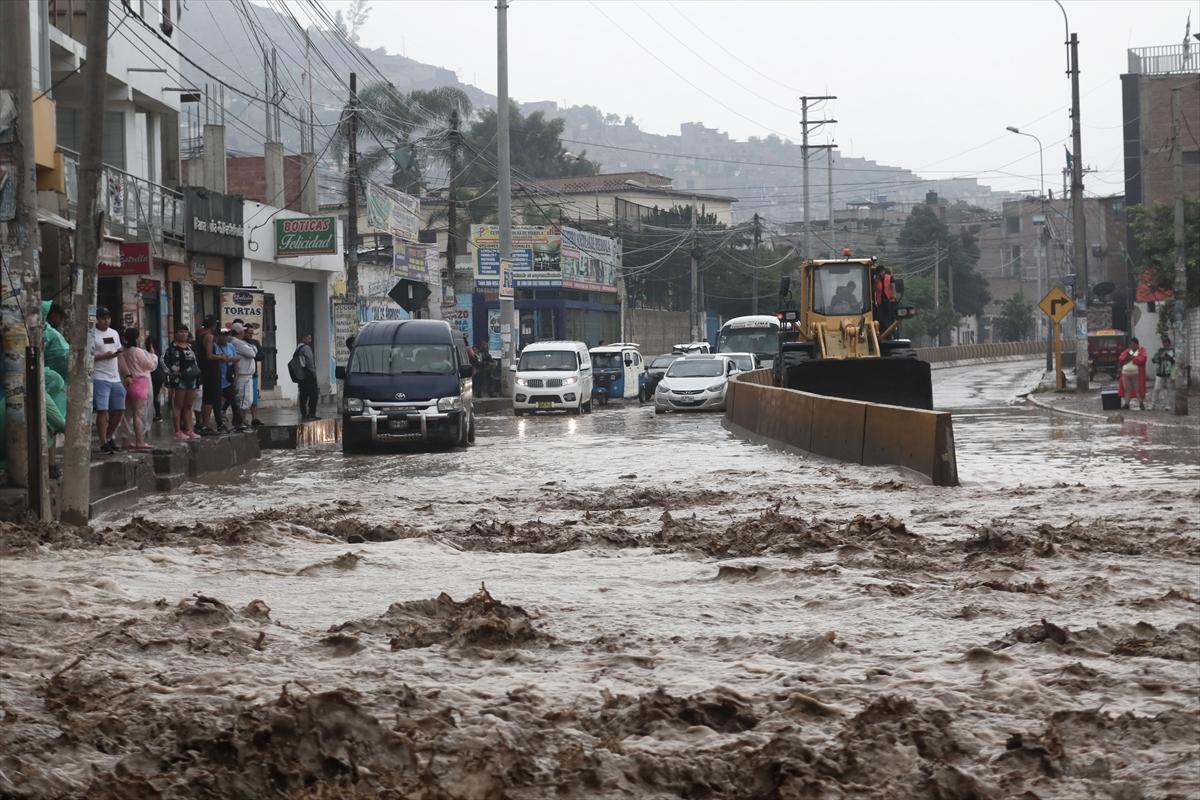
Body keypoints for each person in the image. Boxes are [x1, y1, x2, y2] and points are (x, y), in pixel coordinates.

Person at [117, 328, 159, 451]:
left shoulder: (124, 352)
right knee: (138, 414)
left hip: (128, 383)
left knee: (127, 414)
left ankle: (125, 440)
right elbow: (150, 365)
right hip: (140, 384)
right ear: (136, 338)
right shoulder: (138, 351)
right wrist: (152, 355)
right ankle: (140, 441)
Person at [92, 307, 125, 454]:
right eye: (103, 318)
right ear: (97, 319)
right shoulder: (92, 334)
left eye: (108, 318)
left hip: (115, 377)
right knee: (102, 411)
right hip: (99, 376)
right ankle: (103, 442)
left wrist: (127, 374)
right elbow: (87, 357)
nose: (106, 321)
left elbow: (120, 355)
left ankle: (109, 436)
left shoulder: (114, 333)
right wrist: (104, 357)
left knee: (119, 410)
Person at [163, 324, 200, 440]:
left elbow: (195, 363)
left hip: (192, 379)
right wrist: (172, 373)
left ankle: (189, 430)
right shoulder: (171, 348)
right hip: (179, 380)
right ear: (176, 334)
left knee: (188, 405)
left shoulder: (190, 348)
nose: (183, 334)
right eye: (181, 331)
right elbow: (163, 361)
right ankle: (178, 430)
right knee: (178, 405)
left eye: (185, 332)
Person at [229, 323, 258, 432]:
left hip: (247, 376)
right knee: (244, 400)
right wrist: (253, 348)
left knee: (246, 400)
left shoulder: (240, 342)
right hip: (243, 376)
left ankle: (240, 421)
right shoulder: (237, 343)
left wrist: (253, 348)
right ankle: (239, 422)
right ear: (239, 333)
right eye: (242, 331)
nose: (244, 333)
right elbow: (252, 353)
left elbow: (255, 350)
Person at [214, 329, 239, 431]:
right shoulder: (214, 346)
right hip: (218, 379)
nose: (225, 337)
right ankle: (219, 424)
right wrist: (227, 358)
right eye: (222, 335)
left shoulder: (231, 346)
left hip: (229, 379)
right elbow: (218, 358)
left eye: (226, 335)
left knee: (233, 401)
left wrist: (236, 375)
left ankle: (237, 422)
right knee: (217, 403)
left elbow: (236, 360)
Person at [1117, 337, 1148, 410]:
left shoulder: (1141, 350)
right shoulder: (1128, 351)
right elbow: (1121, 358)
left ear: (1137, 344)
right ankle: (1127, 404)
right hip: (1126, 373)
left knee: (1138, 389)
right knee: (1127, 389)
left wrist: (1132, 358)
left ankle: (1141, 403)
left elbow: (1143, 359)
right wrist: (1127, 358)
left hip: (1137, 374)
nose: (1132, 346)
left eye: (1134, 344)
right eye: (1131, 344)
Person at [244, 323, 266, 426]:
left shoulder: (255, 343)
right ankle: (242, 419)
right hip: (243, 374)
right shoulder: (240, 343)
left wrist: (252, 355)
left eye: (252, 333)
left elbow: (261, 356)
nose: (251, 335)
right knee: (243, 397)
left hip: (253, 374)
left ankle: (254, 418)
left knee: (254, 397)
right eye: (249, 333)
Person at [295, 333, 319, 420]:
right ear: (303, 338)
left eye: (310, 338)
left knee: (303, 395)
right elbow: (310, 361)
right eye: (308, 338)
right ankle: (311, 414)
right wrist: (313, 372)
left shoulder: (298, 348)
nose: (310, 340)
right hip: (308, 374)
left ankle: (304, 414)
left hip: (301, 375)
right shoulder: (306, 348)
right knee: (314, 394)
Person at [1149, 335, 1176, 413]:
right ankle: (1153, 405)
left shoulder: (1173, 351)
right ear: (1163, 343)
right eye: (1164, 343)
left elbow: (1175, 361)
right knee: (1157, 389)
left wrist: (1170, 358)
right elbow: (1153, 359)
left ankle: (1168, 405)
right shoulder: (1160, 351)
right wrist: (1160, 358)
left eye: (1167, 343)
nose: (1165, 344)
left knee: (1169, 390)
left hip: (1169, 373)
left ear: (1169, 343)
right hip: (1160, 373)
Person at [146, 339, 166, 422]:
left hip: (154, 376)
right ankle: (157, 414)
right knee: (156, 395)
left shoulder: (152, 354)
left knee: (153, 396)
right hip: (160, 376)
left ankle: (156, 414)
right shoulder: (160, 353)